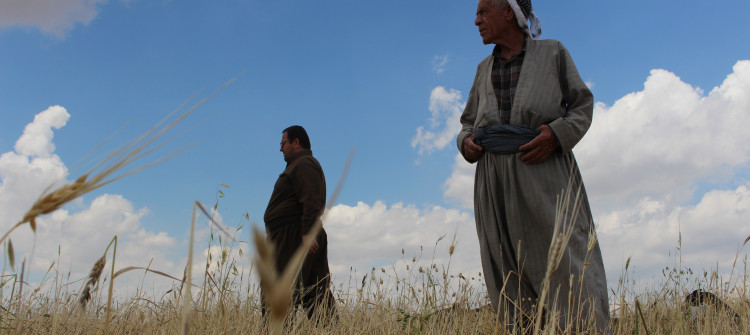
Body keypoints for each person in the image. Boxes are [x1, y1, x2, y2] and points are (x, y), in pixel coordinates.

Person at [457, 0, 609, 331]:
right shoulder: (483, 68)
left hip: (544, 174)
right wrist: (465, 141)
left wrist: (557, 134)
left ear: (508, 12)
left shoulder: (553, 53)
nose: (476, 20)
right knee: (505, 268)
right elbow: (467, 122)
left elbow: (581, 105)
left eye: (484, 12)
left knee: (565, 265)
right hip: (493, 181)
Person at [263, 125, 336, 323]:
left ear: (296, 142)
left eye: (283, 143)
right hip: (294, 234)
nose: (280, 149)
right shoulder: (299, 165)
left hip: (294, 235)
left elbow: (312, 199)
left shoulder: (304, 164)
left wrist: (307, 231)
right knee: (314, 292)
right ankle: (329, 329)